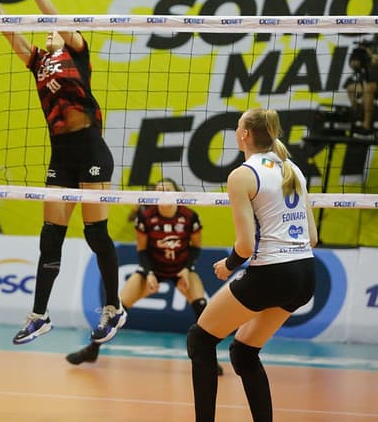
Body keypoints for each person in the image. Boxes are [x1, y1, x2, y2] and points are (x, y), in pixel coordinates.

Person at [0, 0, 125, 345]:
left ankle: (114, 307)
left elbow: (57, 19)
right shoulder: (39, 60)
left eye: (52, 30)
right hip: (61, 153)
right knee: (50, 234)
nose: (47, 32)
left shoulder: (76, 50)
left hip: (91, 149)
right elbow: (7, 32)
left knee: (96, 232)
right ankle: (39, 314)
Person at [186, 108, 317, 422]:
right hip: (305, 274)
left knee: (200, 339)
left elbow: (245, 246)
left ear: (244, 135)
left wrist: (229, 266)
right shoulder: (292, 168)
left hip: (272, 272)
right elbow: (312, 236)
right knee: (243, 352)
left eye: (237, 127)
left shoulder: (242, 174)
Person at [66, 179, 222, 376]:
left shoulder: (189, 216)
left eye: (167, 189)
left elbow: (196, 247)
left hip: (181, 268)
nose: (163, 192)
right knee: (116, 307)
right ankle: (92, 350)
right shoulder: (146, 217)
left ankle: (209, 359)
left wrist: (186, 269)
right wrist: (148, 273)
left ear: (177, 193)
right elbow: (142, 251)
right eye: (159, 190)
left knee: (201, 306)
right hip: (152, 268)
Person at [343, 44, 378, 137]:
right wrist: (355, 61)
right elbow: (354, 64)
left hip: (372, 85)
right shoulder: (370, 46)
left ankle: (366, 126)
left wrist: (370, 54)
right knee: (351, 89)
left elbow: (375, 60)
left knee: (368, 88)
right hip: (370, 83)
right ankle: (358, 116)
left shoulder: (371, 52)